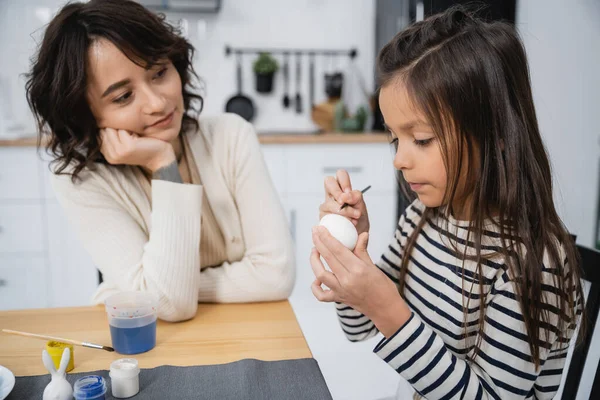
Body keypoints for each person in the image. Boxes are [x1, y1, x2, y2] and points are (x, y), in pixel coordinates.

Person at [310, 7, 584, 399]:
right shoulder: (422, 218)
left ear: (495, 134)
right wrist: (354, 258)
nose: (399, 160)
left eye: (421, 139)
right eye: (395, 138)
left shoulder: (532, 264)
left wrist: (391, 312)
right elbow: (357, 329)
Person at [25, 0, 294, 322]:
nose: (157, 103)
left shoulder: (230, 135)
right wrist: (164, 165)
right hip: (150, 341)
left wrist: (148, 291)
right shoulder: (81, 180)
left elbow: (276, 275)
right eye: (123, 96)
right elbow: (169, 306)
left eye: (159, 73)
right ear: (82, 112)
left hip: (245, 328)